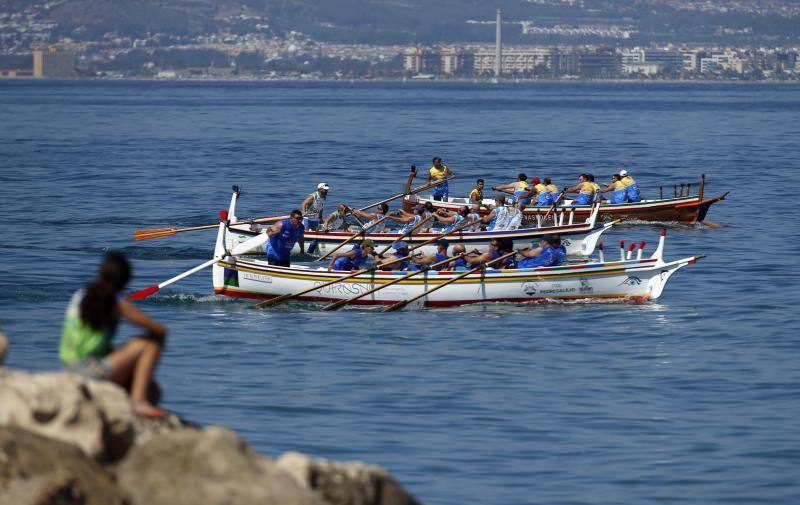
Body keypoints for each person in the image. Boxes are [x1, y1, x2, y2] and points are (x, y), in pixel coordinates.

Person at [60, 252, 167, 418]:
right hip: (88, 372)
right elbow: (160, 330)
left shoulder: (80, 296)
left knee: (152, 390)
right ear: (125, 282)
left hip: (68, 369)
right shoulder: (116, 304)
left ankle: (135, 401)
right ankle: (138, 402)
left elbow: (95, 345)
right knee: (149, 344)